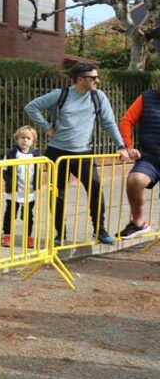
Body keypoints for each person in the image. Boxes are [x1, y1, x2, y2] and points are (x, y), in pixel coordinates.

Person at [24, 62, 129, 245]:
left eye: (97, 77)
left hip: (83, 153)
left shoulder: (98, 97)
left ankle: (100, 230)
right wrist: (47, 128)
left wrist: (121, 145)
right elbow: (31, 107)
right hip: (58, 153)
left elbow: (109, 123)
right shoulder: (61, 95)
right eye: (93, 78)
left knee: (95, 187)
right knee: (58, 193)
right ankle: (60, 233)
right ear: (81, 79)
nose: (97, 80)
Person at [117, 87, 160, 238]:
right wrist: (128, 147)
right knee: (135, 180)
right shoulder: (147, 97)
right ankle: (138, 223)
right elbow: (127, 121)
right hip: (151, 157)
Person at [1, 125, 40, 248]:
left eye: (28, 138)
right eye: (22, 137)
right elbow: (4, 170)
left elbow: (38, 170)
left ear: (33, 141)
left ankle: (28, 237)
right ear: (17, 139)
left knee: (28, 215)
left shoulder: (36, 155)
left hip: (29, 190)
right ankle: (7, 235)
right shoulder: (12, 154)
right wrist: (10, 183)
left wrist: (38, 183)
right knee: (10, 213)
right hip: (14, 190)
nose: (25, 140)